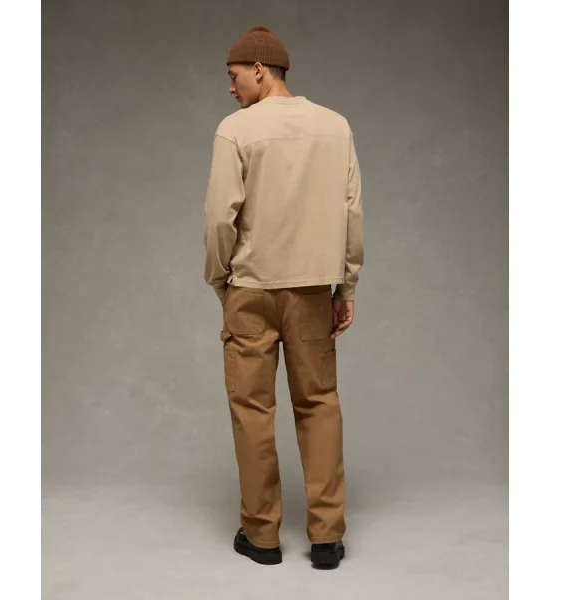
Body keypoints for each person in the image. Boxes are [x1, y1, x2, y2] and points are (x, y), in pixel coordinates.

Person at [203, 25, 364, 569]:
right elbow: (352, 213)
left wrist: (220, 280)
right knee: (319, 405)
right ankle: (327, 539)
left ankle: (262, 536)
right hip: (314, 290)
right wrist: (346, 285)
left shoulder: (235, 130)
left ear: (259, 70)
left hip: (251, 289)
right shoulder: (336, 126)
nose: (230, 87)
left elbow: (219, 219)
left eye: (233, 76)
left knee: (252, 411)